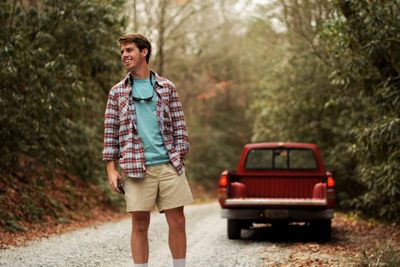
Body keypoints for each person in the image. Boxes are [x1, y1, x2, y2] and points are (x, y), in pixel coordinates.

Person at [102, 33, 193, 267]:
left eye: (129, 50)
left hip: (169, 165)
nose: (124, 55)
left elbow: (179, 126)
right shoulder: (117, 92)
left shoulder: (167, 87)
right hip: (135, 167)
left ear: (144, 52)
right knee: (140, 224)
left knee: (177, 221)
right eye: (122, 51)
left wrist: (179, 156)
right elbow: (110, 132)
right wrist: (111, 170)